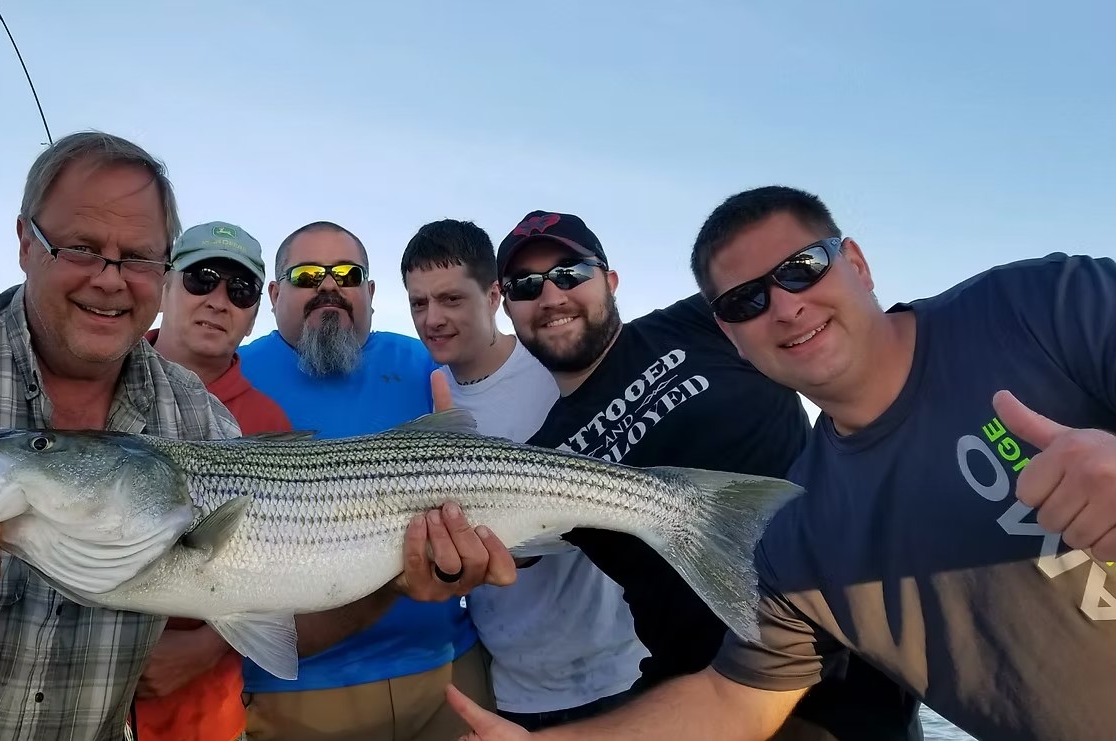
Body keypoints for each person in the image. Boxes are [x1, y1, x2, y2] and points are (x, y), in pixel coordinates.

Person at [0, 131, 515, 741]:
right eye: (81, 247)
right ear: (26, 242)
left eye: (138, 257)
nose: (109, 279)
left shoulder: (198, 422)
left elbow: (270, 606)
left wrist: (401, 577)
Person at [448, 186, 1116, 740]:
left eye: (802, 267)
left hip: (851, 686)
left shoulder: (1036, 308)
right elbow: (731, 702)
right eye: (527, 285)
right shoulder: (798, 533)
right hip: (739, 658)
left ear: (854, 261)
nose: (784, 305)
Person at [450, 209, 923, 740]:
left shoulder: (703, 319)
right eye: (526, 286)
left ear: (609, 280)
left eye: (570, 274)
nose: (552, 296)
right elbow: (491, 551)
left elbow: (823, 331)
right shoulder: (544, 456)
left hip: (849, 651)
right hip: (699, 691)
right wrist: (443, 563)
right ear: (506, 306)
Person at [236, 221, 493, 740]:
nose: (328, 286)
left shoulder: (428, 364)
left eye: (347, 274)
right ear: (274, 293)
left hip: (449, 673)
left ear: (370, 292)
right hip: (299, 695)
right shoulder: (232, 375)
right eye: (306, 275)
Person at [398, 218, 651, 731]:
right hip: (514, 682)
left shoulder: (554, 366)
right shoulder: (423, 401)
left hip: (627, 663)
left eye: (451, 299)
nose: (433, 319)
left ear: (493, 295)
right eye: (418, 303)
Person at [136, 220, 291, 741]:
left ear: (252, 316)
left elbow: (299, 558)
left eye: (240, 289)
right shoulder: (95, 375)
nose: (219, 300)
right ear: (163, 285)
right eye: (201, 279)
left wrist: (205, 648)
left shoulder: (269, 423)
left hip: (203, 716)